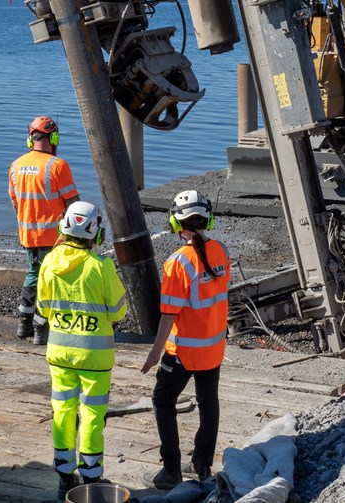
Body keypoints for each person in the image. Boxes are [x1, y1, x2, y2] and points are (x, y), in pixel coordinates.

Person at [36, 200, 127, 499]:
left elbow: (44, 308)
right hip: (94, 356)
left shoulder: (49, 262)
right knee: (91, 413)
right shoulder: (100, 267)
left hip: (60, 353)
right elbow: (117, 312)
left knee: (62, 410)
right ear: (95, 234)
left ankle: (64, 473)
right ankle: (91, 474)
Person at [141, 190, 231, 489]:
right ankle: (202, 465)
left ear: (175, 224)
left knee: (162, 401)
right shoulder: (222, 252)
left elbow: (169, 314)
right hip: (214, 346)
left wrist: (155, 353)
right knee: (209, 403)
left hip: (182, 351)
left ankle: (171, 471)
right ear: (208, 219)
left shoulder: (177, 263)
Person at [9, 116, 79, 345]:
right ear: (54, 137)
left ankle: (24, 323)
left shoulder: (16, 165)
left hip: (28, 235)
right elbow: (73, 205)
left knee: (33, 274)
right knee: (51, 280)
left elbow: (15, 202)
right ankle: (42, 330)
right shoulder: (58, 165)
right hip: (54, 237)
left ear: (30, 139)